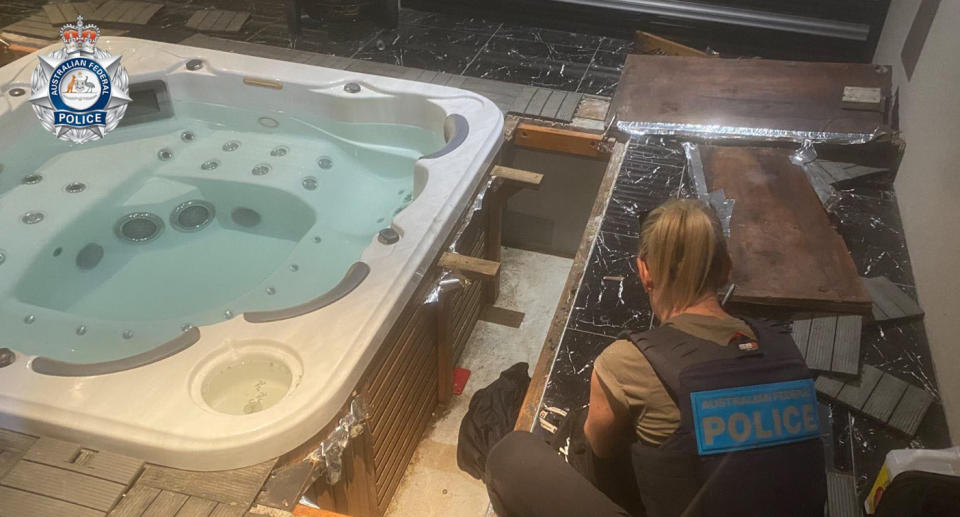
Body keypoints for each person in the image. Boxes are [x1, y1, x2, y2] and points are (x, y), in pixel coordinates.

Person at [484, 199, 826, 517]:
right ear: (726, 270)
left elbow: (598, 451)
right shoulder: (785, 349)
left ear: (644, 271)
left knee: (512, 455)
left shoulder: (628, 362)